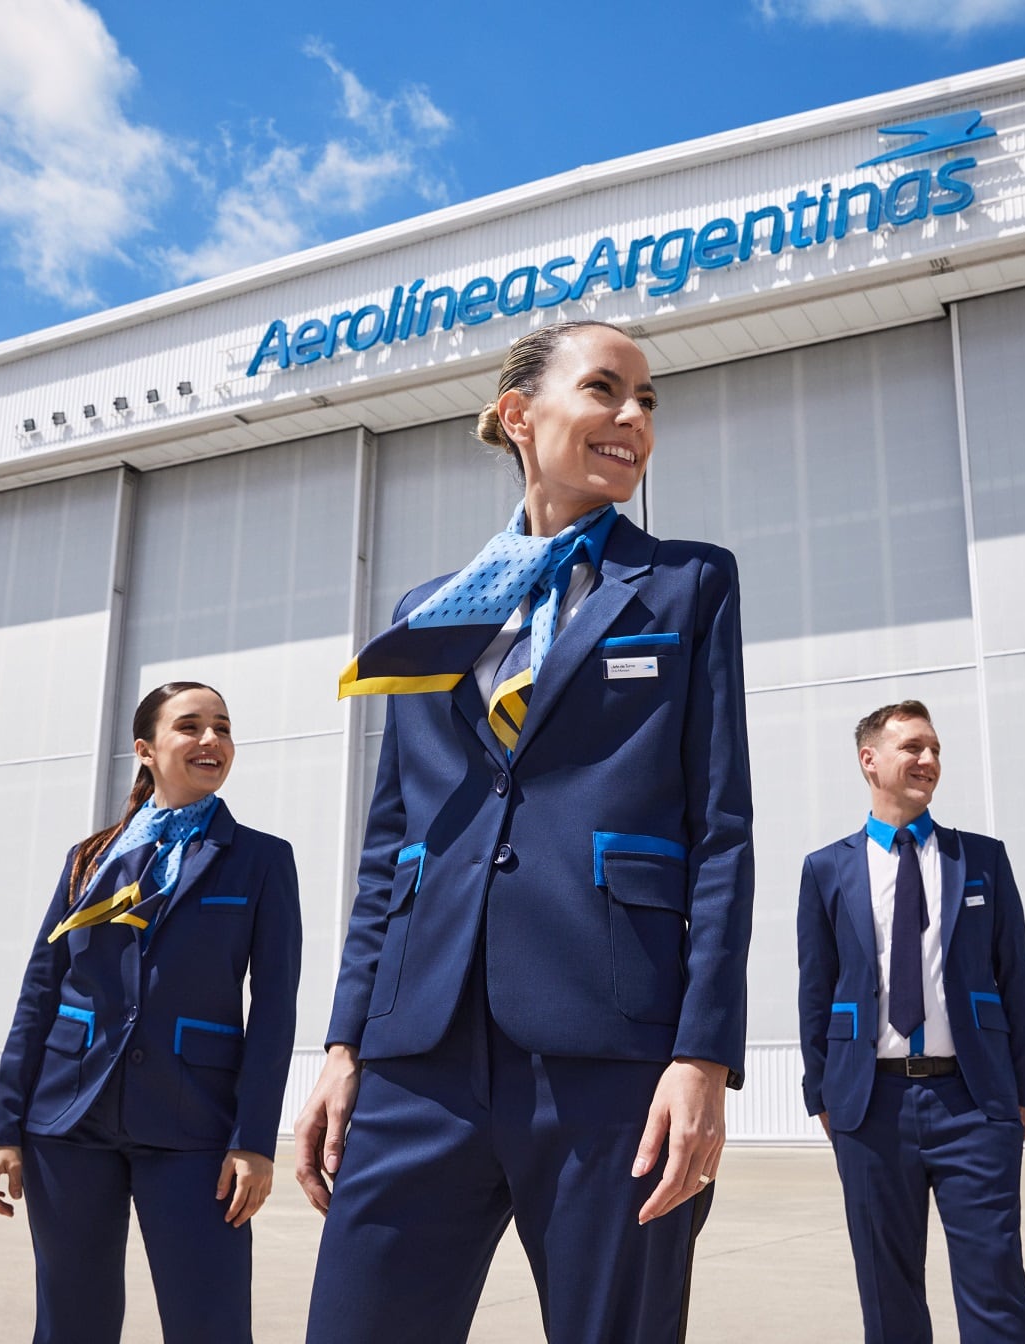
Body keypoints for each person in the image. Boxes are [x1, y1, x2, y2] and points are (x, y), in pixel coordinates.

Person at [296, 320, 754, 1344]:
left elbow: (721, 831)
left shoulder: (687, 586)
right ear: (520, 416)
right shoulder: (430, 615)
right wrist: (342, 1044)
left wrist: (703, 1057)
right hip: (419, 1048)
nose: (634, 419)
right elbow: (391, 850)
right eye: (606, 391)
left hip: (611, 1052)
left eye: (647, 402)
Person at [0, 682, 301, 1344]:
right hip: (68, 1118)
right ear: (147, 750)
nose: (211, 740)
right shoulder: (91, 859)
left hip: (195, 1126)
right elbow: (40, 993)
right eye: (191, 726)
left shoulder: (263, 859)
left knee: (209, 1323)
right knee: (72, 1324)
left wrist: (254, 1140)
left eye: (223, 727)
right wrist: (1, 1128)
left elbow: (273, 1008)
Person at [796, 701, 1025, 1344]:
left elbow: (1014, 979)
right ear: (869, 760)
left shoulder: (982, 860)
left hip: (974, 1100)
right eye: (912, 747)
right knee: (888, 1293)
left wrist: (1024, 1090)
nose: (929, 760)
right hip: (868, 1104)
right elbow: (815, 990)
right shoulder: (826, 870)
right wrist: (820, 1091)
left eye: (934, 748)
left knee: (996, 1288)